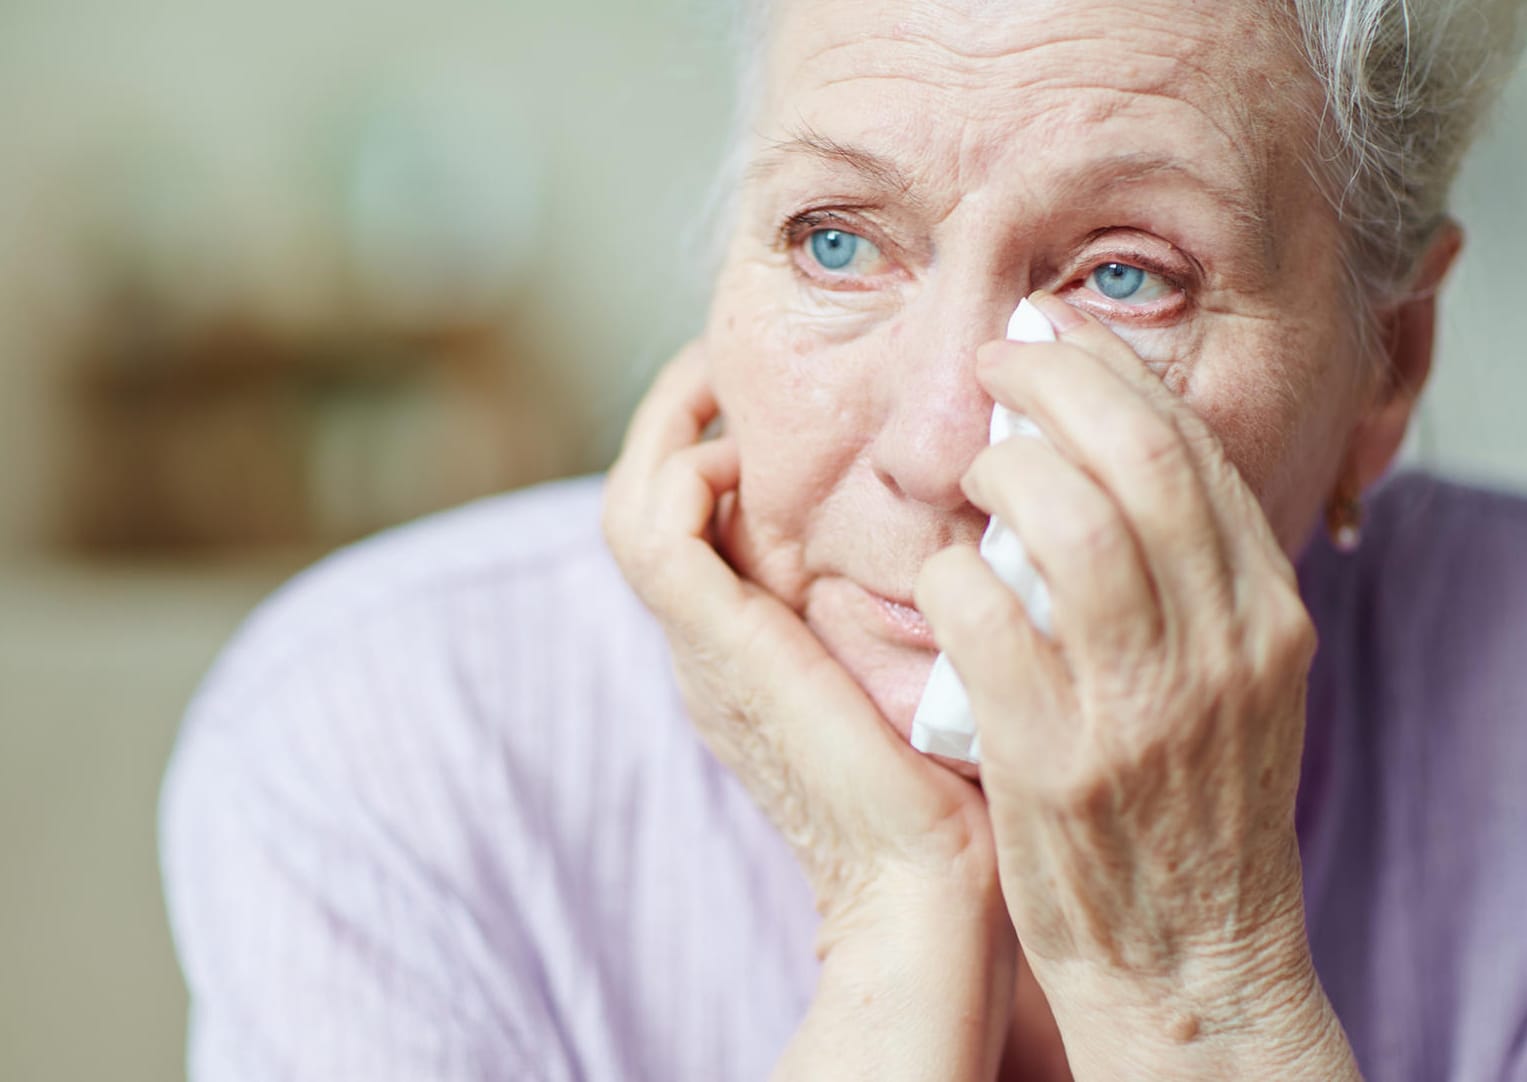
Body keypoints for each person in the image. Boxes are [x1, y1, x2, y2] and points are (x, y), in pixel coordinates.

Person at [160, 0, 1527, 1078]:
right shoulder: (386, 741)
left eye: (1129, 276)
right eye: (833, 241)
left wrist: (1201, 988)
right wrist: (897, 910)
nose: (940, 448)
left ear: (1386, 365)